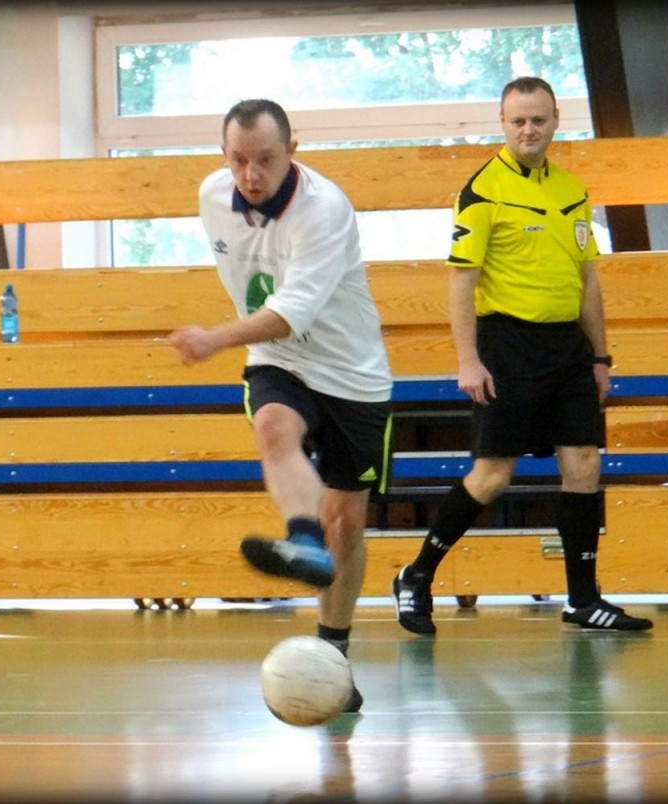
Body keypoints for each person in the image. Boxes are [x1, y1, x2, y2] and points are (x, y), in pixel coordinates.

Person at [389, 77, 653, 635]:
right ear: (503, 124)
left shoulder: (573, 191)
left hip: (568, 350)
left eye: (538, 119)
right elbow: (462, 281)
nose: (528, 130)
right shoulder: (482, 191)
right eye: (518, 121)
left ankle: (583, 599)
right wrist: (467, 359)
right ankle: (416, 575)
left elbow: (588, 281)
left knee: (584, 464)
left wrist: (600, 357)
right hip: (506, 347)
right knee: (491, 476)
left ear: (555, 121)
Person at [169, 99, 394, 711]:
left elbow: (292, 313)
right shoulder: (212, 196)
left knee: (347, 521)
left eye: (265, 159)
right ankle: (302, 538)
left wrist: (214, 338)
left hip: (352, 373)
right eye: (238, 160)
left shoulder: (325, 209)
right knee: (272, 425)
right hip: (278, 361)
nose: (250, 175)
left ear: (292, 150)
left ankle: (334, 654)